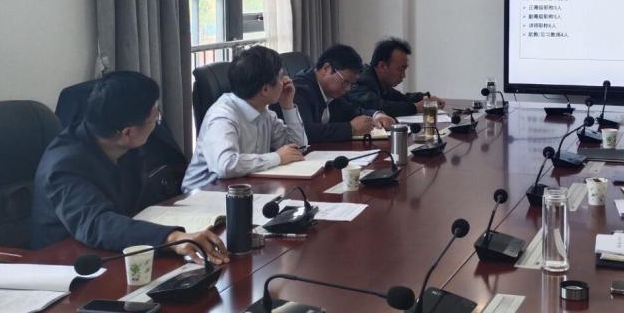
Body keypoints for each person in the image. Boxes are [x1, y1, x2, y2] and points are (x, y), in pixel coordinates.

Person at [32, 71, 226, 264]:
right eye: (155, 119)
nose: (157, 122)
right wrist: (172, 238)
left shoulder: (122, 145)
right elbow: (97, 223)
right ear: (127, 132)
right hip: (69, 262)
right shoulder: (64, 166)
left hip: (117, 249)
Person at [183, 45, 308, 189]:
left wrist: (287, 106)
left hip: (243, 188)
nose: (286, 80)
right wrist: (277, 157)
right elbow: (225, 165)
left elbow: (298, 148)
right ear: (265, 89)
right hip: (204, 194)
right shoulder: (222, 117)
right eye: (281, 77)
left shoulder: (264, 112)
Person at [279, 44, 395, 143]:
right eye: (346, 82)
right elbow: (306, 131)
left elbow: (352, 111)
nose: (348, 88)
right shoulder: (300, 89)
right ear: (326, 69)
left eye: (352, 84)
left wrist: (376, 115)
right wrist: (350, 128)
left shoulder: (333, 91)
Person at [346, 38, 444, 119]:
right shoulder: (361, 80)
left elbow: (401, 98)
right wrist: (415, 107)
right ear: (382, 66)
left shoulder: (380, 82)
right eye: (400, 69)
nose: (403, 76)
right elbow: (380, 106)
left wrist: (424, 97)